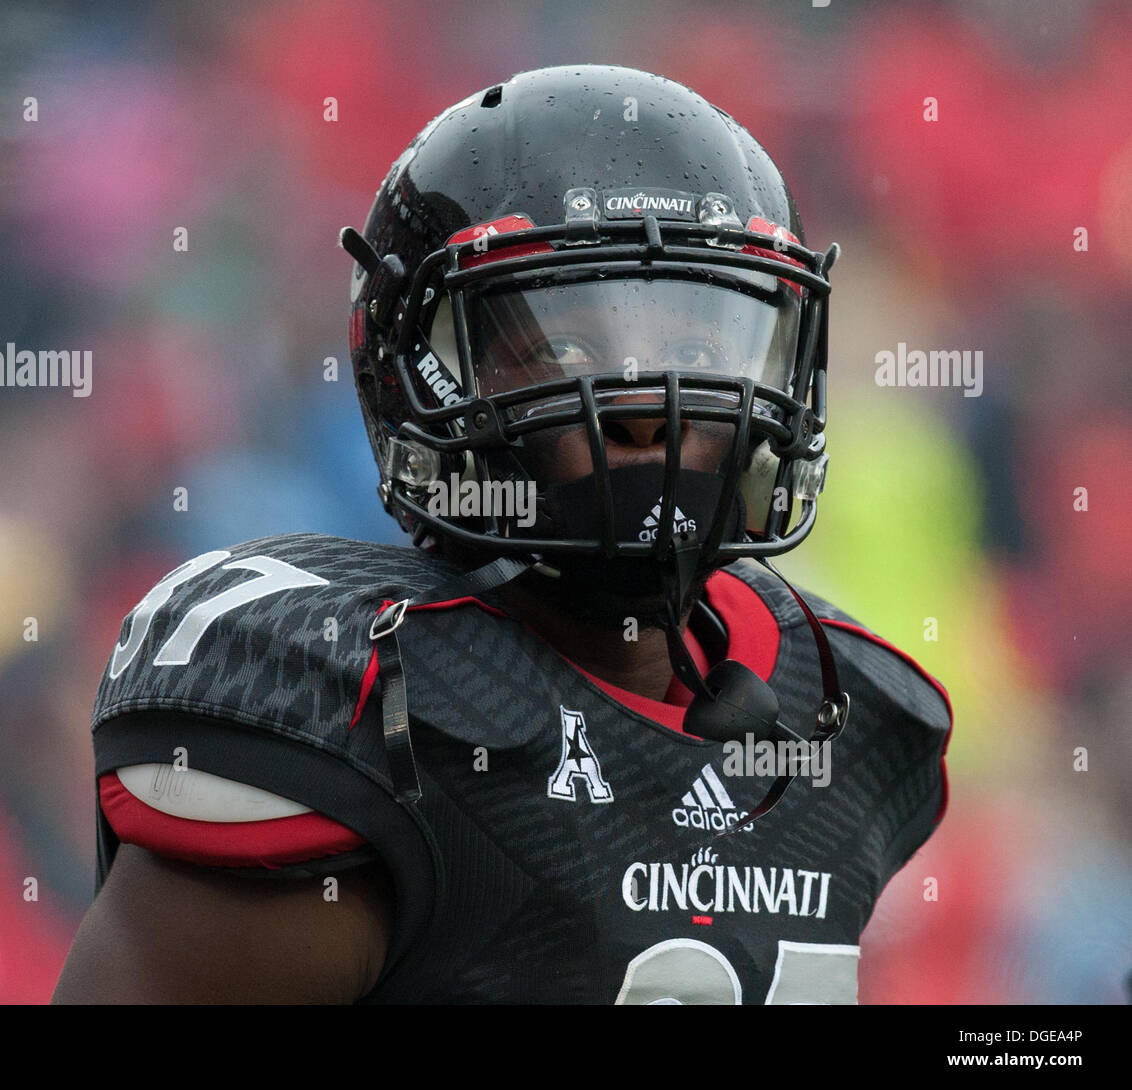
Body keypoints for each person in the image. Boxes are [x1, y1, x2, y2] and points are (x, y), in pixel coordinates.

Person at [53, 64, 951, 1005]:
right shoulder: (352, 703)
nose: (652, 404)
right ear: (418, 375)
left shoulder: (847, 709)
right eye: (565, 348)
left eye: (697, 349)